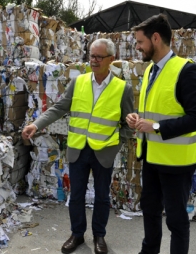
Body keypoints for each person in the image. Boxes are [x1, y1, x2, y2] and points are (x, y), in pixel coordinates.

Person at [22, 38, 134, 254]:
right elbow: (58, 108)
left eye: (99, 57)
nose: (94, 60)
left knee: (102, 196)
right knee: (76, 194)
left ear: (111, 59)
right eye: (91, 55)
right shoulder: (79, 82)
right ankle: (77, 234)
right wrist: (36, 125)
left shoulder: (122, 88)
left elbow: (127, 123)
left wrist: (116, 146)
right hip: (78, 149)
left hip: (104, 151)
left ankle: (99, 237)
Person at [126, 14, 196, 254]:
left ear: (156, 38)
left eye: (140, 42)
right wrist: (136, 119)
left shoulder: (185, 70)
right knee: (150, 211)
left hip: (176, 161)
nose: (138, 47)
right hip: (152, 157)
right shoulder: (151, 69)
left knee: (176, 220)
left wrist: (157, 127)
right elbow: (157, 110)